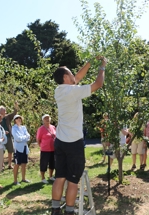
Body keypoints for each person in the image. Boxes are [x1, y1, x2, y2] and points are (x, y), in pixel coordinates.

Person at [51, 56, 107, 215]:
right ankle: (69, 211)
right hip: (73, 142)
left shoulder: (59, 90)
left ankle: (55, 209)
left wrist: (89, 62)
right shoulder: (73, 92)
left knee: (59, 177)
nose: (73, 76)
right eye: (70, 74)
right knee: (73, 180)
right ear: (65, 77)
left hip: (60, 141)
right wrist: (102, 67)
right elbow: (98, 84)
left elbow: (78, 77)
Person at [36, 114, 56, 184]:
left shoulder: (53, 127)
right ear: (43, 120)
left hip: (53, 149)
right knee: (43, 164)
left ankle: (50, 176)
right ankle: (43, 178)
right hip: (45, 149)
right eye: (45, 118)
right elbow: (38, 139)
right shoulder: (41, 129)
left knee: (52, 163)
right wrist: (41, 146)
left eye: (48, 118)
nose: (47, 119)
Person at [0, 102, 19, 169]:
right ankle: (2, 165)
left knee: (10, 151)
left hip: (9, 137)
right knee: (1, 152)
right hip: (1, 138)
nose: (3, 112)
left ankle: (10, 165)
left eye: (4, 111)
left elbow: (14, 113)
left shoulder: (8, 117)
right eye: (2, 111)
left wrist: (16, 105)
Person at [12, 114, 30, 185]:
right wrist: (24, 138)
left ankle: (23, 178)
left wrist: (23, 137)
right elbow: (17, 138)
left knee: (24, 164)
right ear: (15, 121)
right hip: (18, 148)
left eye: (19, 118)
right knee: (17, 164)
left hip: (24, 148)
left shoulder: (24, 127)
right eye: (17, 119)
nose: (18, 120)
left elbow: (28, 136)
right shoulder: (14, 128)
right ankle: (15, 181)